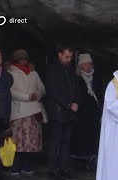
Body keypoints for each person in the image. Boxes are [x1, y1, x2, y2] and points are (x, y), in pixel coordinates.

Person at [7, 49, 46, 176]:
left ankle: (27, 166)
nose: (24, 61)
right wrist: (27, 97)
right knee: (18, 142)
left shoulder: (33, 73)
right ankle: (15, 167)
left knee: (31, 144)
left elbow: (42, 88)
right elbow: (10, 91)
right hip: (18, 113)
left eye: (25, 58)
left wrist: (37, 95)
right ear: (16, 60)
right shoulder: (10, 73)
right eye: (21, 58)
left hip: (34, 112)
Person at [45, 44, 81, 179]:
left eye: (71, 57)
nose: (69, 59)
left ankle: (64, 168)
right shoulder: (52, 69)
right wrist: (68, 104)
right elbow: (53, 90)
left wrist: (77, 102)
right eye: (67, 56)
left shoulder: (70, 69)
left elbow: (76, 87)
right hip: (58, 111)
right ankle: (52, 169)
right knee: (55, 141)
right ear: (59, 55)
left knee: (66, 142)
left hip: (70, 112)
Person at [71, 53, 103, 170]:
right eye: (85, 64)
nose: (88, 66)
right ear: (80, 66)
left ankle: (92, 160)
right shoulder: (76, 79)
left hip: (95, 113)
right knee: (82, 139)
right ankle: (80, 161)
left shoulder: (97, 78)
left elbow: (101, 93)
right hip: (82, 113)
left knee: (94, 137)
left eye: (89, 64)